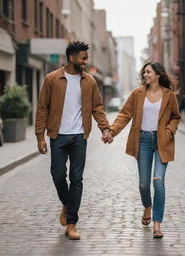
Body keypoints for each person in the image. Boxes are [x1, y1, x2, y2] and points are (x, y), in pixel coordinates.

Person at [35, 41, 112, 240]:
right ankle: (68, 205)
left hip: (79, 136)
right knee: (58, 174)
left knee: (76, 179)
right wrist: (40, 137)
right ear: (72, 58)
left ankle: (71, 223)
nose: (86, 61)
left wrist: (105, 128)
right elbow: (43, 107)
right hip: (58, 136)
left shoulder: (89, 81)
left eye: (86, 57)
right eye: (83, 58)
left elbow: (97, 107)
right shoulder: (52, 79)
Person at [105, 62, 181, 238]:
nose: (145, 75)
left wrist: (169, 131)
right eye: (144, 72)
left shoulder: (169, 95)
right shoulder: (138, 94)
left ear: (157, 75)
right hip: (143, 141)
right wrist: (112, 131)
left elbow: (175, 117)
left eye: (148, 72)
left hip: (162, 141)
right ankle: (147, 206)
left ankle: (157, 224)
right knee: (143, 184)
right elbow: (124, 115)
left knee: (158, 181)